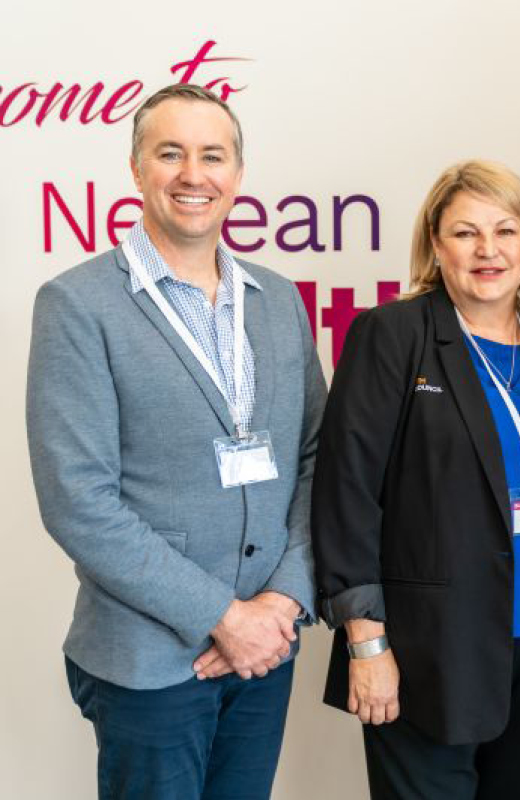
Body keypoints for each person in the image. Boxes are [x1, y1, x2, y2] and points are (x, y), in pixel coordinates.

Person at [26, 83, 326, 800]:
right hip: (152, 662)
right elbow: (79, 502)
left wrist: (280, 606)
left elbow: (317, 459)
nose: (194, 174)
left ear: (238, 176)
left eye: (212, 155)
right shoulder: (77, 305)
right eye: (171, 153)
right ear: (136, 169)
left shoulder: (278, 301)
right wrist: (224, 620)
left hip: (264, 656)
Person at [311, 159, 520, 800]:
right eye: (466, 232)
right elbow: (346, 494)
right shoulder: (392, 334)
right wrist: (367, 644)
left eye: (506, 231)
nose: (488, 250)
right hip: (428, 651)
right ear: (435, 244)